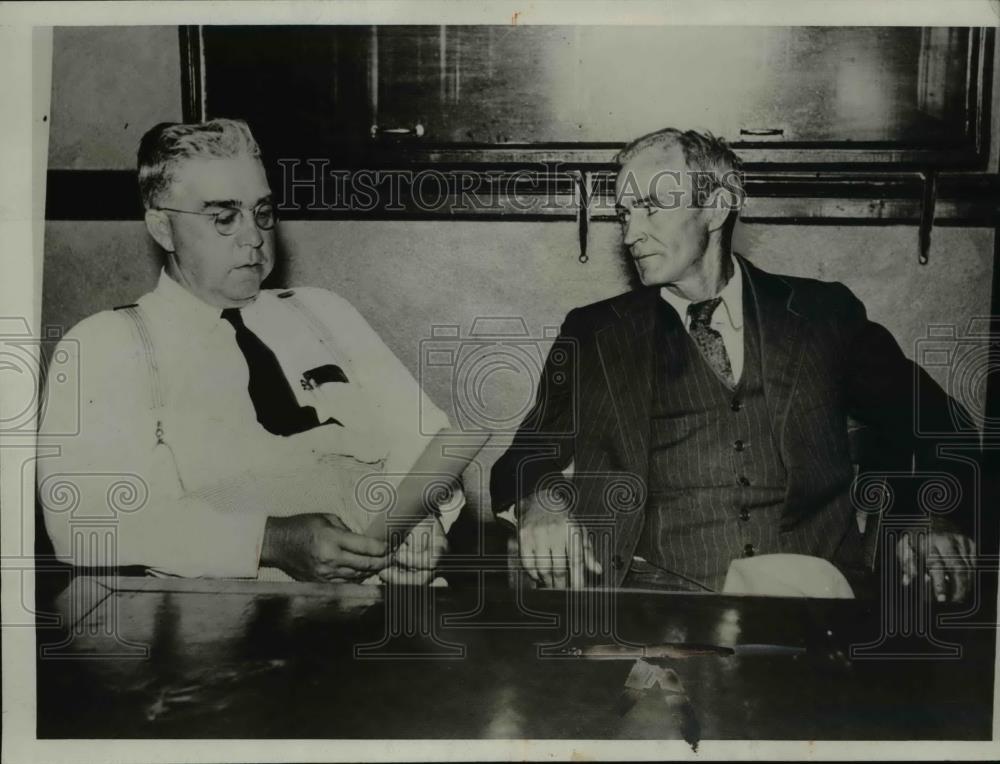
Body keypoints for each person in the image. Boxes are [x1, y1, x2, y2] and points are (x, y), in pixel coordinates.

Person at [491, 127, 980, 600]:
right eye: (623, 214)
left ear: (717, 206)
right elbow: (521, 461)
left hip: (812, 606)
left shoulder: (822, 316)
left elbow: (939, 425)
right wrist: (543, 501)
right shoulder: (594, 333)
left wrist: (928, 514)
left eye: (651, 208)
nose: (630, 234)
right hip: (656, 606)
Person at [38, 118, 459, 584]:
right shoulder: (107, 344)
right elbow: (79, 524)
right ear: (163, 228)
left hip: (382, 604)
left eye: (262, 212)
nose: (253, 238)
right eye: (224, 217)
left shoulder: (325, 313)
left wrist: (418, 524)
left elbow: (426, 443)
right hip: (218, 622)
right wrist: (269, 542)